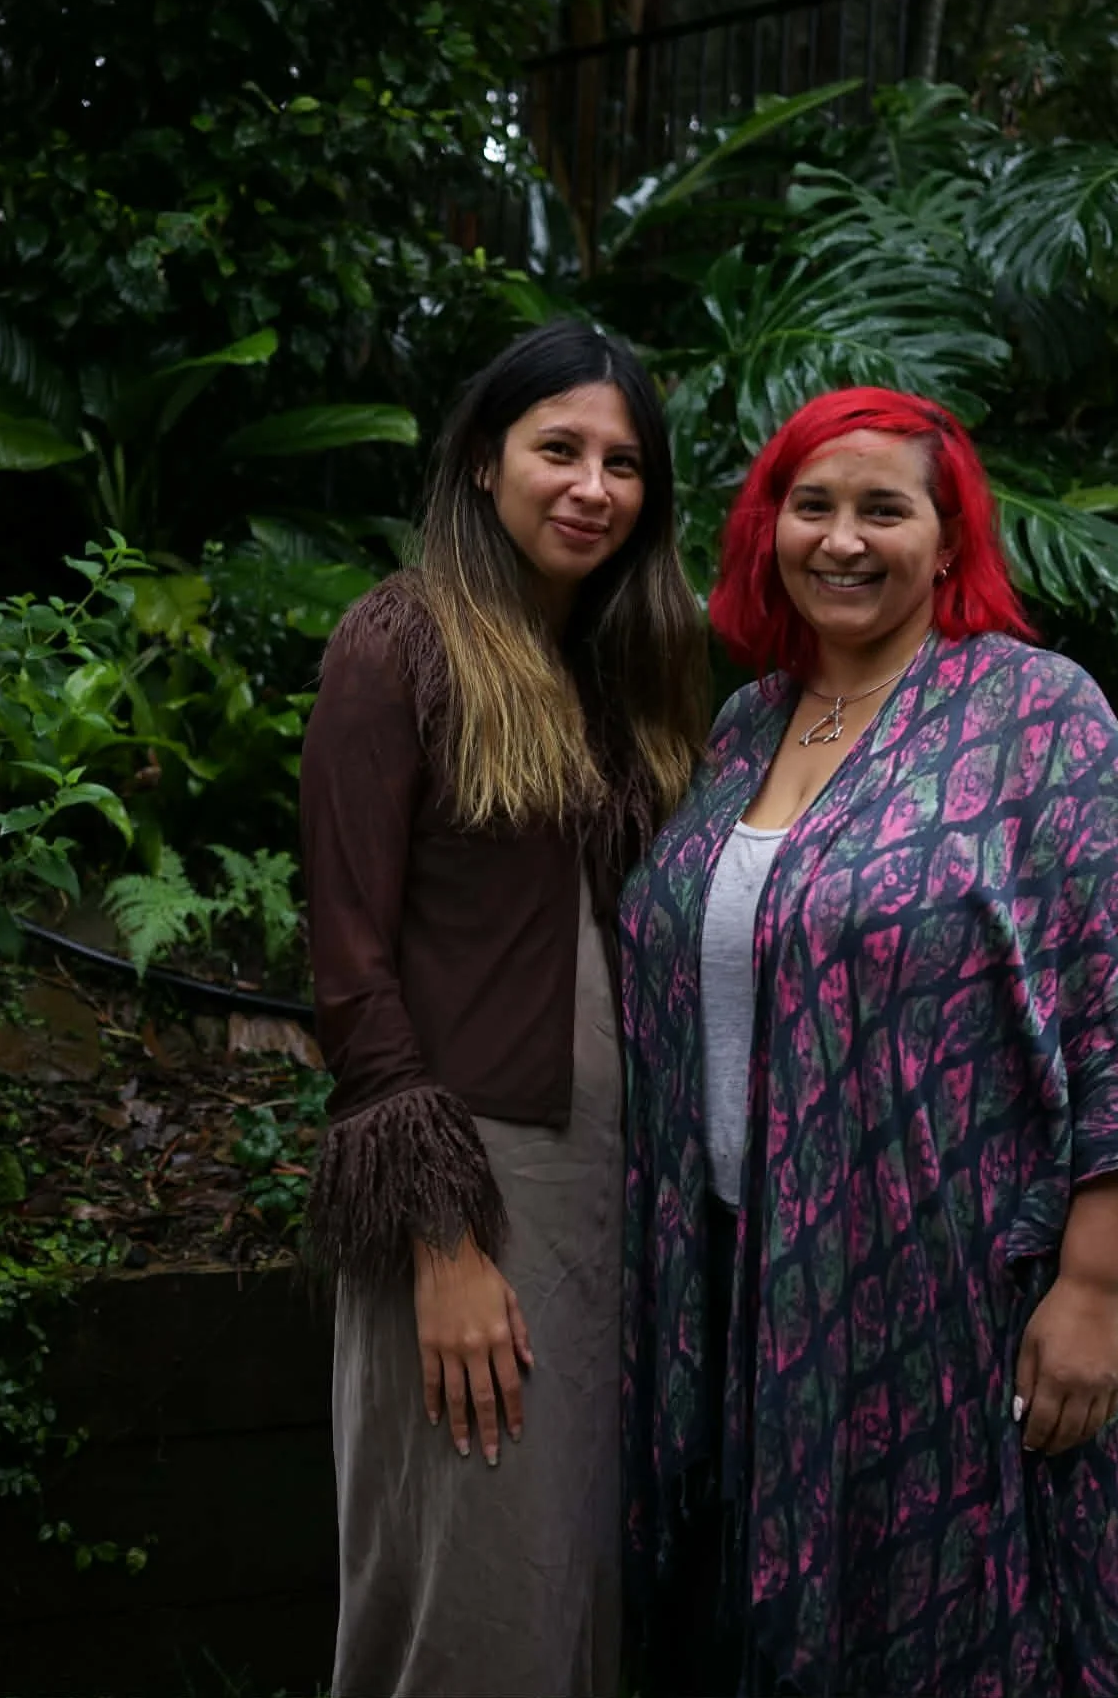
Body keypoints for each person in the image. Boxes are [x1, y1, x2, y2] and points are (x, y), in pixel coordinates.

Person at [619, 386, 1118, 1698]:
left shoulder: (1037, 717)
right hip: (746, 1288)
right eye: (812, 505)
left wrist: (1090, 1290)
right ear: (767, 529)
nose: (842, 539)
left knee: (958, 1631)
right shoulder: (745, 724)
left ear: (947, 536)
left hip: (960, 1295)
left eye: (882, 509)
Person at [300, 319, 709, 1698]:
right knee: (467, 1577)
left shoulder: (618, 673)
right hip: (477, 1182)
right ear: (485, 461)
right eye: (559, 449)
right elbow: (349, 967)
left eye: (624, 462)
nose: (593, 485)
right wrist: (444, 1240)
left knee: (571, 1570)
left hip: (613, 1189)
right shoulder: (400, 640)